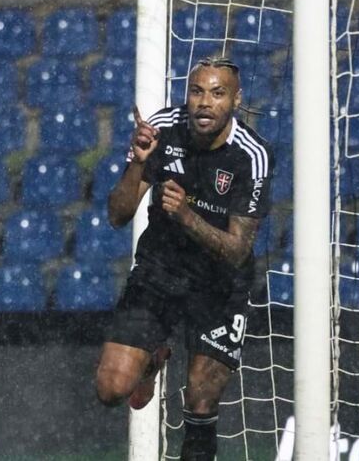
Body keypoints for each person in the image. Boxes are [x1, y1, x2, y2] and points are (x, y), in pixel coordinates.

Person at [96, 56, 275, 460]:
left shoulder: (252, 155)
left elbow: (237, 249)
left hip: (220, 285)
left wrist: (186, 216)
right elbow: (117, 215)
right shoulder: (161, 128)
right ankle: (152, 358)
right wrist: (139, 163)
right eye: (197, 91)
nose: (204, 103)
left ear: (235, 99)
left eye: (217, 93)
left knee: (201, 401)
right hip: (160, 270)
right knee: (110, 389)